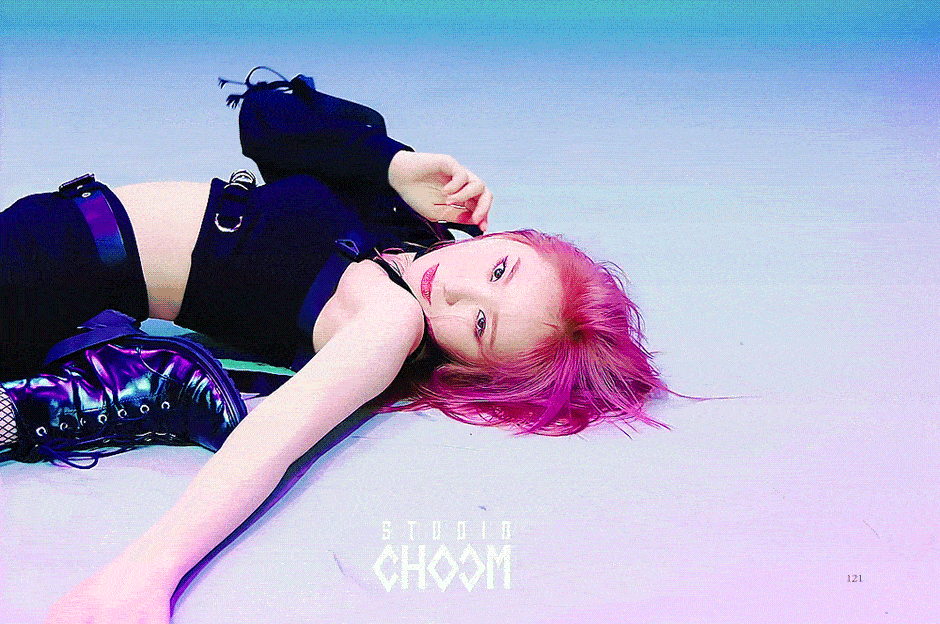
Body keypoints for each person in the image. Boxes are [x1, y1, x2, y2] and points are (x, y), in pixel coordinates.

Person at [0, 71, 668, 622]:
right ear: (510, 238)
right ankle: (135, 380)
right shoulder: (407, 221)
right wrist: (394, 164)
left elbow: (271, 442)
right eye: (498, 270)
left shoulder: (390, 322)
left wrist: (144, 575)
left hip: (43, 277)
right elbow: (266, 116)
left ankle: (118, 387)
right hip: (48, 238)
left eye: (479, 326)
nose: (456, 291)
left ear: (470, 365)